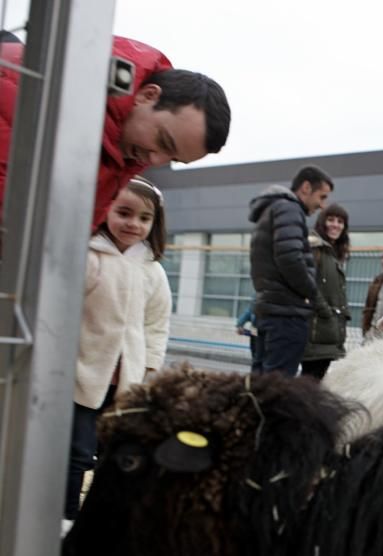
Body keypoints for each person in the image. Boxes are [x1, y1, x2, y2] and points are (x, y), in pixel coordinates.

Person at [0, 35, 231, 233]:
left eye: (173, 159)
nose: (155, 160)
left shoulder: (115, 163)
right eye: (163, 141)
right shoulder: (32, 89)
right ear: (148, 95)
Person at [66, 176, 171, 519]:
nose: (133, 224)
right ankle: (61, 520)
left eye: (144, 218)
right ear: (104, 209)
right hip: (81, 377)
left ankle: (99, 524)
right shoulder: (89, 257)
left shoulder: (152, 271)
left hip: (126, 384)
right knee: (77, 453)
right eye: (124, 212)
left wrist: (150, 367)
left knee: (116, 455)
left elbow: (156, 324)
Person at [249, 165, 332, 376]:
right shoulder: (289, 209)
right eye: (321, 197)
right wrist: (310, 292)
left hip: (269, 311)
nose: (323, 205)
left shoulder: (272, 210)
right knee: (278, 387)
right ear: (306, 188)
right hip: (286, 315)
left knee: (260, 383)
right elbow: (290, 258)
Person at [300, 202, 351, 380]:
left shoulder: (333, 253)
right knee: (310, 380)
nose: (335, 225)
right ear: (322, 222)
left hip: (327, 331)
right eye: (331, 220)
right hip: (317, 331)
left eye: (340, 221)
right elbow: (307, 283)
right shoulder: (315, 248)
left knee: (315, 379)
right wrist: (325, 312)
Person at [235, 298, 259, 373]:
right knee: (257, 360)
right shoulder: (258, 297)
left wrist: (240, 325)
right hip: (258, 333)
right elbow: (248, 312)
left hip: (261, 332)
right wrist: (240, 325)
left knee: (258, 360)